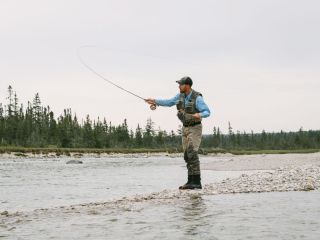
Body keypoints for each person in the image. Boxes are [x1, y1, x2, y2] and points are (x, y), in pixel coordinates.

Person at [145, 76, 211, 190]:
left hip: (195, 128)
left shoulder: (197, 98)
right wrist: (154, 101)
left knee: (192, 153)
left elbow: (207, 111)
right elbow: (169, 102)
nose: (179, 86)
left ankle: (197, 182)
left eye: (181, 84)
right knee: (186, 155)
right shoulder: (179, 96)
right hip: (185, 128)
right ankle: (190, 181)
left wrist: (199, 114)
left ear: (187, 85)